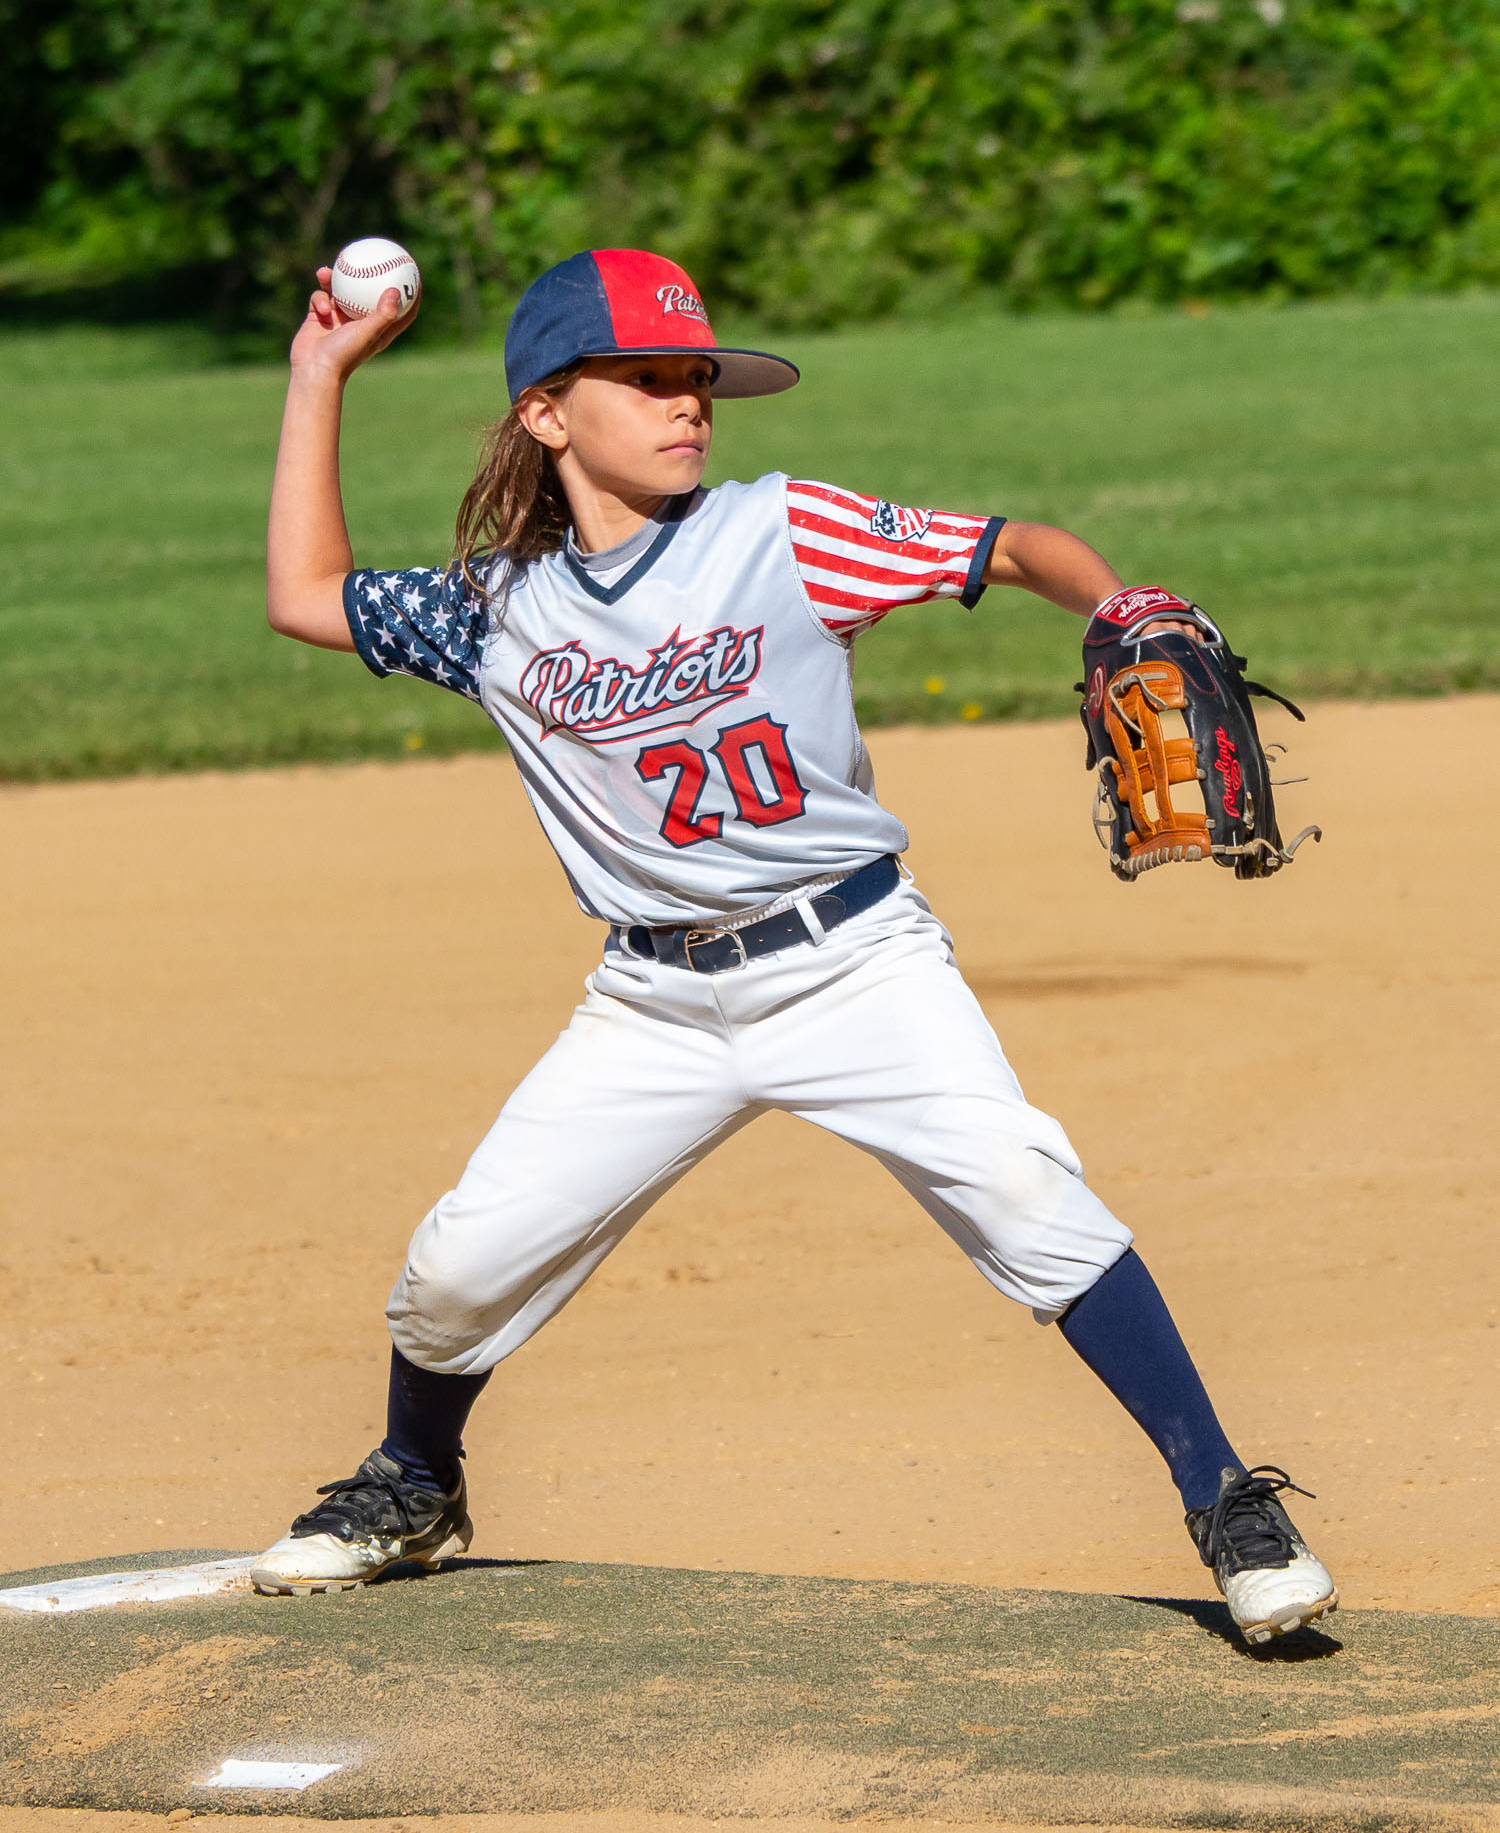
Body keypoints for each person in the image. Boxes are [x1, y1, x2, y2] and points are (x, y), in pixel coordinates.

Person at [252, 247, 1337, 1645]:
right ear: (544, 412)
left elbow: (1010, 547)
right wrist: (315, 371)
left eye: (698, 378)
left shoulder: (784, 530)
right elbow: (304, 593)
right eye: (645, 378)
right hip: (651, 1001)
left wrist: (1116, 603)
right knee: (460, 1266)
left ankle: (1228, 1501)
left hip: (853, 966)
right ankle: (416, 1477)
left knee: (1025, 1192)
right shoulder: (493, 609)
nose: (687, 403)